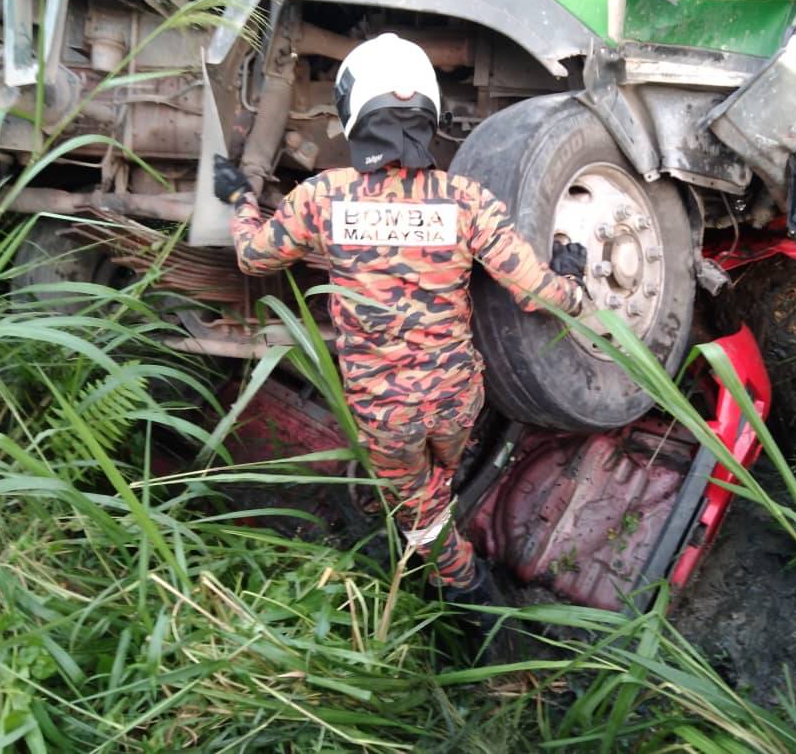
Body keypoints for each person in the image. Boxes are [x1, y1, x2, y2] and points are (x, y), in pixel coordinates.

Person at [213, 32, 587, 611]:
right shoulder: (466, 200)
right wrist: (573, 282)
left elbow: (252, 256)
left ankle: (468, 591)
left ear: (355, 113)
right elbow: (542, 296)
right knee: (442, 462)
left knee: (421, 510)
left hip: (385, 411)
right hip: (457, 398)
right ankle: (443, 487)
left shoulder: (324, 197)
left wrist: (240, 198)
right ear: (429, 111)